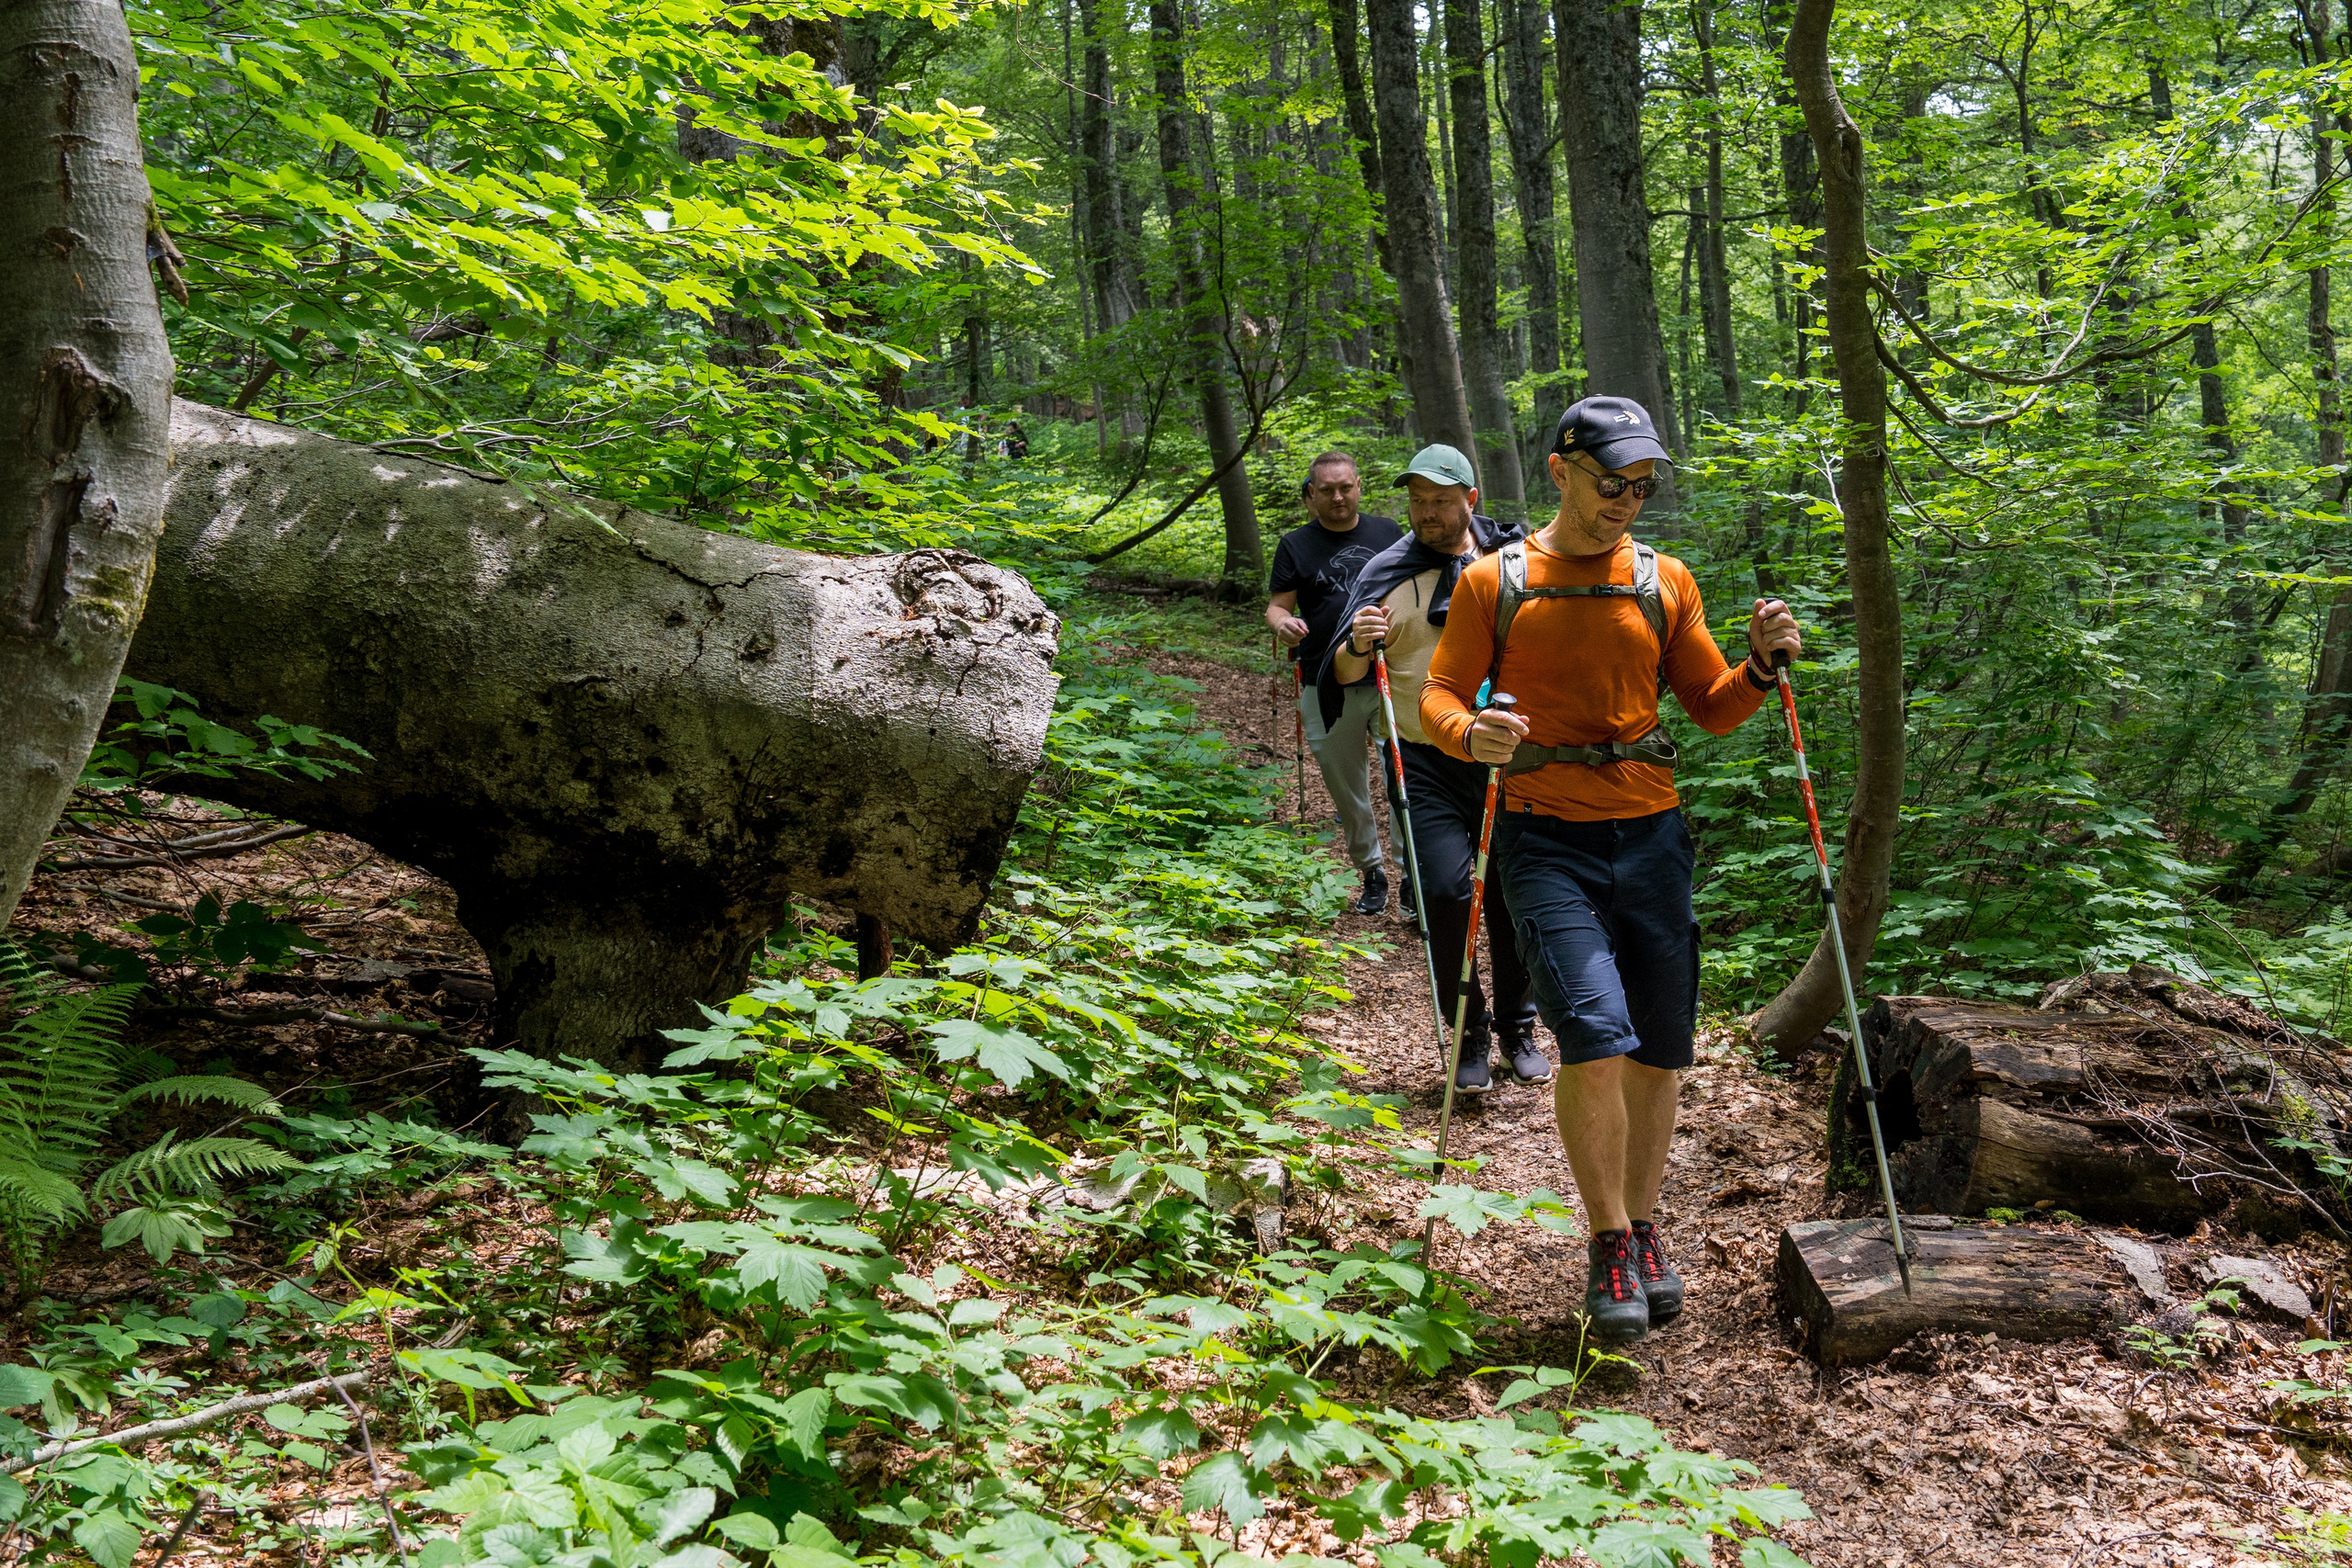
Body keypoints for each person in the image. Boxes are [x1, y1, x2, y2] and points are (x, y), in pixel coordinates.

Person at [1419, 396, 1802, 1343]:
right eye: (1609, 483)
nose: (1626, 501)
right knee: (1594, 1032)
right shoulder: (1491, 580)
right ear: (1560, 470)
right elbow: (1435, 691)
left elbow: (1708, 707)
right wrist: (1472, 734)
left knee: (1661, 1048)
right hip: (1544, 835)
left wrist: (1756, 670)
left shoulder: (1664, 580)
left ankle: (1643, 1225)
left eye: (1641, 486)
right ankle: (1609, 1241)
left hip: (1653, 834)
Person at [1321, 445, 1541, 1093]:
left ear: (1471, 500)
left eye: (1441, 500)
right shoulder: (1387, 572)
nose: (1428, 513)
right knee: (1446, 892)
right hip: (1423, 756)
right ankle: (1467, 1031)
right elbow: (1344, 673)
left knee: (1508, 893)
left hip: (1508, 754)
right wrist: (1359, 643)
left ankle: (1519, 1029)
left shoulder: (1515, 563)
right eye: (1417, 500)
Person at [1265, 453, 1406, 913]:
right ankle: (1373, 872)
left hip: (1391, 677)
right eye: (1326, 490)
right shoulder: (1295, 544)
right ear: (1311, 494)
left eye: (1345, 487)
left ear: (1359, 486)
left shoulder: (1389, 534)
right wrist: (1283, 623)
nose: (1338, 497)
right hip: (1325, 683)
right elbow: (1278, 606)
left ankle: (1412, 877)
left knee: (1408, 777)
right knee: (1348, 786)